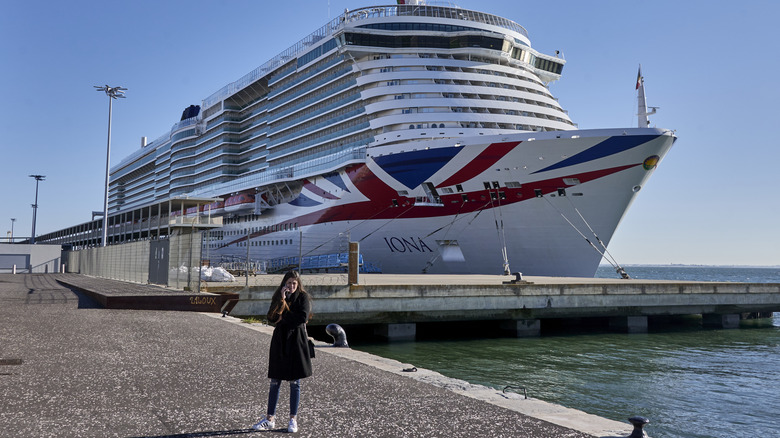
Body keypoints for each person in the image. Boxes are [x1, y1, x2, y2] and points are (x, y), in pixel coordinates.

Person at [252, 270, 313, 433]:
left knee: (295, 383)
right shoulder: (278, 296)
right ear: (284, 283)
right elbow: (271, 317)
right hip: (280, 340)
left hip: (296, 341)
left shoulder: (303, 298)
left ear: (298, 284)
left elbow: (302, 317)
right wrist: (282, 300)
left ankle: (293, 419)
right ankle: (269, 418)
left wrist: (283, 318)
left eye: (294, 283)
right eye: (289, 283)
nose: (292, 286)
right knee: (275, 381)